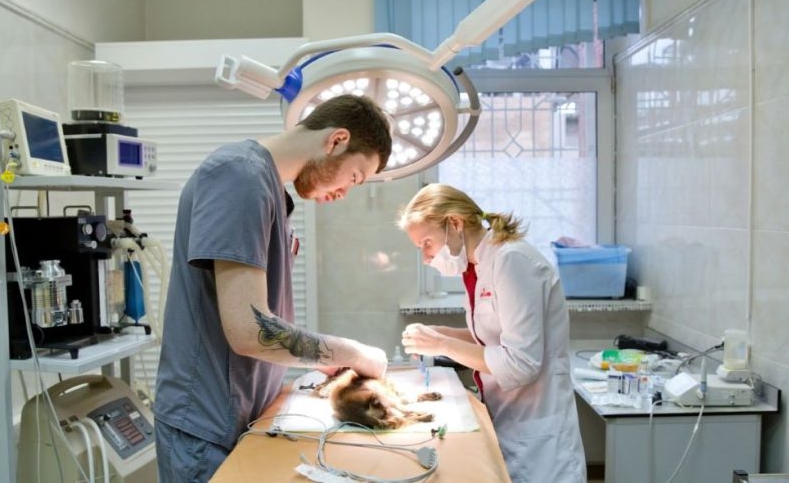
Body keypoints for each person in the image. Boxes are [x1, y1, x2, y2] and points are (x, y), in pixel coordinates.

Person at [154, 95, 393, 482]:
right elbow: (250, 332)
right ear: (337, 140)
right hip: (207, 429)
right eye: (354, 177)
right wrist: (354, 352)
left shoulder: (269, 191)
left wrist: (323, 360)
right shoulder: (238, 176)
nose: (344, 193)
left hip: (244, 415)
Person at [398, 183, 587, 483]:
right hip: (507, 418)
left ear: (455, 223)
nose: (426, 257)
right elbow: (493, 339)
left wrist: (441, 344)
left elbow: (519, 363)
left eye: (427, 243)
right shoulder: (476, 267)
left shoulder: (512, 261)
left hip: (538, 437)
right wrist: (442, 333)